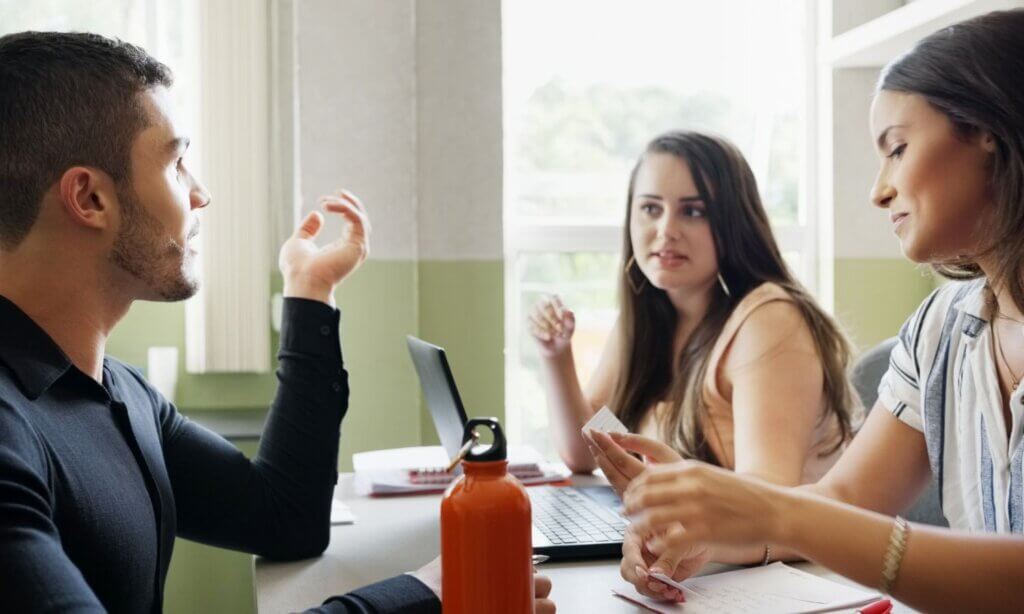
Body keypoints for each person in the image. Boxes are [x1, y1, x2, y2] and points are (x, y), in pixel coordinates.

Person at [0, 31, 555, 614]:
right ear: (89, 200)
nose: (201, 194)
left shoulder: (119, 394)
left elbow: (286, 516)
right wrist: (433, 596)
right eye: (176, 162)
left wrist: (310, 293)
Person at [620, 9, 1024, 612]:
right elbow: (846, 497)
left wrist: (771, 509)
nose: (878, 189)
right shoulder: (940, 328)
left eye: (898, 149)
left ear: (987, 130)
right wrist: (710, 528)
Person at [528, 131, 859, 600]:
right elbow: (585, 452)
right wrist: (554, 354)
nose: (666, 230)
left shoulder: (769, 317)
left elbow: (769, 496)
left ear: (732, 221)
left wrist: (678, 517)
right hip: (713, 570)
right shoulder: (650, 314)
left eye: (693, 210)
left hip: (799, 585)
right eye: (650, 208)